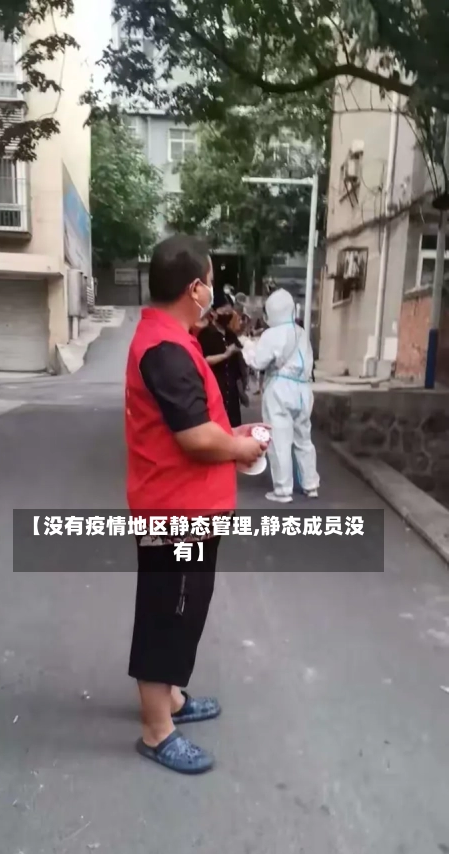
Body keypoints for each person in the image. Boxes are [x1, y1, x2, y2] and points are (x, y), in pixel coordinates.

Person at [125, 234, 268, 775]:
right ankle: (156, 730)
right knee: (167, 611)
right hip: (174, 512)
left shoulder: (173, 340)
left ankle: (171, 699)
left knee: (185, 605)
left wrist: (232, 434)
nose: (212, 290)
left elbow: (197, 423)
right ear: (194, 288)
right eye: (209, 280)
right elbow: (193, 437)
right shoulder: (164, 349)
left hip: (189, 507)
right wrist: (240, 448)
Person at [246, 287, 319, 504]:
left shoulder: (271, 334)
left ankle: (283, 490)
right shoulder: (301, 333)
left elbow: (258, 362)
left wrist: (247, 349)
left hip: (280, 388)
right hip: (303, 389)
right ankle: (310, 485)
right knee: (304, 440)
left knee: (279, 441)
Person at [196, 297, 247, 427]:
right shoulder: (205, 334)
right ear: (213, 312)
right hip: (215, 390)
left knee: (234, 427)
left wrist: (241, 391)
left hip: (232, 393)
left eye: (229, 312)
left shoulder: (231, 335)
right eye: (224, 311)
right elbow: (203, 360)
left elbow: (238, 364)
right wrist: (225, 355)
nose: (227, 315)